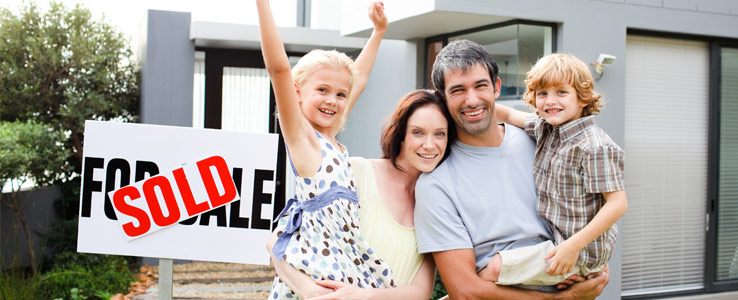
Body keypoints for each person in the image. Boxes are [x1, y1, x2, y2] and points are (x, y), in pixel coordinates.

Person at [414, 39, 610, 299]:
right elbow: (464, 291)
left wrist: (592, 263)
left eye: (480, 85)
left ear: (496, 87)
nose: (472, 100)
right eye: (458, 90)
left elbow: (594, 204)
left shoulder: (540, 141)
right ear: (442, 97)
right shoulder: (436, 184)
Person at [256, 1, 394, 299]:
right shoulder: (302, 138)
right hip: (315, 272)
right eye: (322, 90)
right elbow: (279, 69)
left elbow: (360, 80)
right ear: (297, 92)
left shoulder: (332, 139)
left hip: (345, 265)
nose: (332, 100)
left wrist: (378, 32)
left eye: (340, 94)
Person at [268, 90, 452, 300]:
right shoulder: (355, 172)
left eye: (440, 134)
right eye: (418, 132)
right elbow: (278, 241)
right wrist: (309, 290)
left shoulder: (436, 203)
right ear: (401, 134)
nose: (429, 144)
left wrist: (363, 296)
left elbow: (420, 291)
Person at [483, 53, 628, 286]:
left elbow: (618, 204)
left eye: (561, 92)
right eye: (543, 93)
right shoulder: (546, 128)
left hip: (577, 252)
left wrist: (572, 247)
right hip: (554, 240)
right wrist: (471, 104)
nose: (550, 101)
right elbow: (508, 115)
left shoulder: (594, 146)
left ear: (583, 98)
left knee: (494, 270)